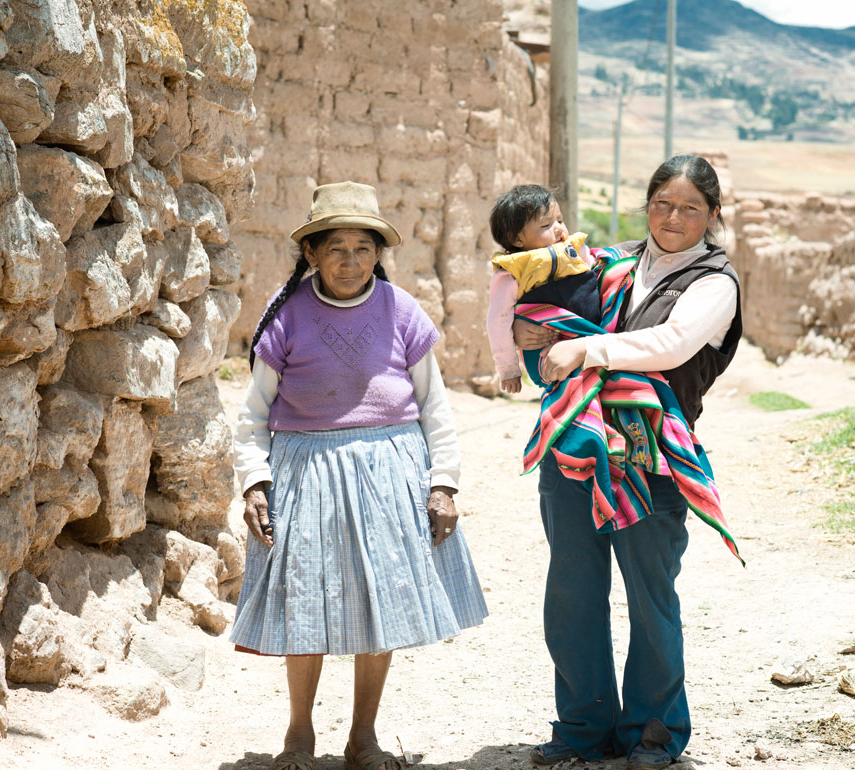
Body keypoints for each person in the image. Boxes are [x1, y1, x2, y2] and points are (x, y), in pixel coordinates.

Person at [230, 181, 488, 770]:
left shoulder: (402, 312)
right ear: (312, 255)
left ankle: (363, 739)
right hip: (307, 471)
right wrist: (254, 482)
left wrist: (442, 482)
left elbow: (435, 405)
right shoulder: (288, 316)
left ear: (379, 254)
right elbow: (252, 416)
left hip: (389, 472)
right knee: (307, 605)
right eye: (336, 248)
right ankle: (299, 736)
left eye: (364, 248)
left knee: (381, 606)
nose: (351, 261)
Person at [513, 155, 743, 769]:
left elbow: (671, 344)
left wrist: (586, 347)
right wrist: (534, 334)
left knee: (650, 596)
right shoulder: (607, 263)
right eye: (663, 203)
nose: (673, 217)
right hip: (577, 445)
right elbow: (545, 311)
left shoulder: (714, 284)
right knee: (573, 591)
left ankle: (654, 732)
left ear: (712, 216)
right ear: (646, 206)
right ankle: (583, 729)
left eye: (690, 208)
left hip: (654, 457)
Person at [485, 184, 597, 393]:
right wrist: (509, 368)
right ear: (517, 239)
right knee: (568, 392)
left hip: (588, 338)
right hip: (544, 352)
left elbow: (598, 277)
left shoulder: (576, 250)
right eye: (546, 225)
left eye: (560, 220)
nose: (559, 228)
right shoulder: (512, 273)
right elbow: (498, 320)